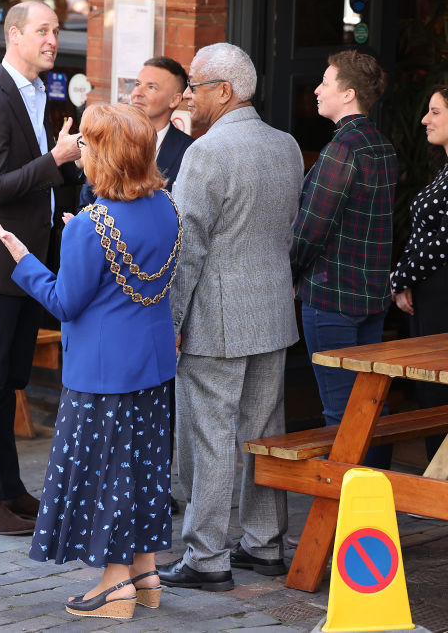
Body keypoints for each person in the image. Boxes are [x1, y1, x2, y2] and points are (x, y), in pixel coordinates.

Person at [0, 103, 180, 620]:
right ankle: (145, 571)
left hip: (101, 373)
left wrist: (20, 258)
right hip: (153, 366)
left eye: (88, 146)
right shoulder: (166, 207)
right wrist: (80, 240)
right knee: (145, 468)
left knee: (106, 473)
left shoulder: (91, 225)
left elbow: (66, 302)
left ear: (107, 156)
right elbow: (132, 272)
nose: (81, 153)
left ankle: (115, 586)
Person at [159, 43, 302, 591]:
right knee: (263, 429)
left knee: (212, 433)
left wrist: (169, 322)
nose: (188, 95)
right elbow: (285, 228)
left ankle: (206, 557)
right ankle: (264, 544)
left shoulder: (206, 152)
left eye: (194, 85)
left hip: (217, 316)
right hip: (271, 309)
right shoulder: (286, 145)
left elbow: (188, 246)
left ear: (224, 91)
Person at [0, 0, 81, 536]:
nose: (53, 39)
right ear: (13, 35)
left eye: (56, 30)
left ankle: (8, 488)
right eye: (43, 30)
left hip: (30, 263)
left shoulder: (36, 94)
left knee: (8, 382)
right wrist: (56, 160)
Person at [291, 50, 396, 468]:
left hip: (331, 298)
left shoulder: (343, 148)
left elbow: (309, 229)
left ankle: (348, 525)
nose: (316, 89)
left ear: (348, 94)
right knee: (371, 409)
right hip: (370, 298)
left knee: (340, 415)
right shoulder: (382, 146)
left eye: (325, 82)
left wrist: (289, 275)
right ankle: (376, 514)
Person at [392, 85, 448, 461]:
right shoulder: (443, 169)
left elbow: (442, 241)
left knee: (438, 391)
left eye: (435, 111)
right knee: (430, 391)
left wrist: (400, 278)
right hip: (430, 294)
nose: (425, 119)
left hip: (442, 296)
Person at [79, 56, 193, 206]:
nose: (137, 93)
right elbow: (87, 201)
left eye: (151, 87)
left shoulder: (190, 152)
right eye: (137, 84)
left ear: (175, 100)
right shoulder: (110, 138)